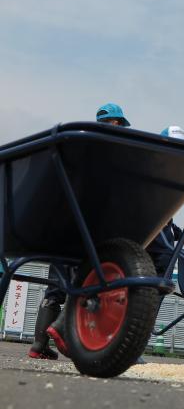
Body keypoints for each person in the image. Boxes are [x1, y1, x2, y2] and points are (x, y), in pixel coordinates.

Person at [29, 104, 132, 359]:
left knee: (55, 287)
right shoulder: (112, 153)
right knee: (84, 281)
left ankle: (38, 345)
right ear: (116, 123)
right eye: (120, 124)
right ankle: (60, 330)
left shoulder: (80, 147)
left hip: (61, 224)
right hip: (85, 229)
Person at [146, 126, 184, 277]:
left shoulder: (170, 176)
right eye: (175, 147)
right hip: (153, 251)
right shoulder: (153, 173)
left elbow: (166, 220)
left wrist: (182, 236)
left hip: (165, 250)